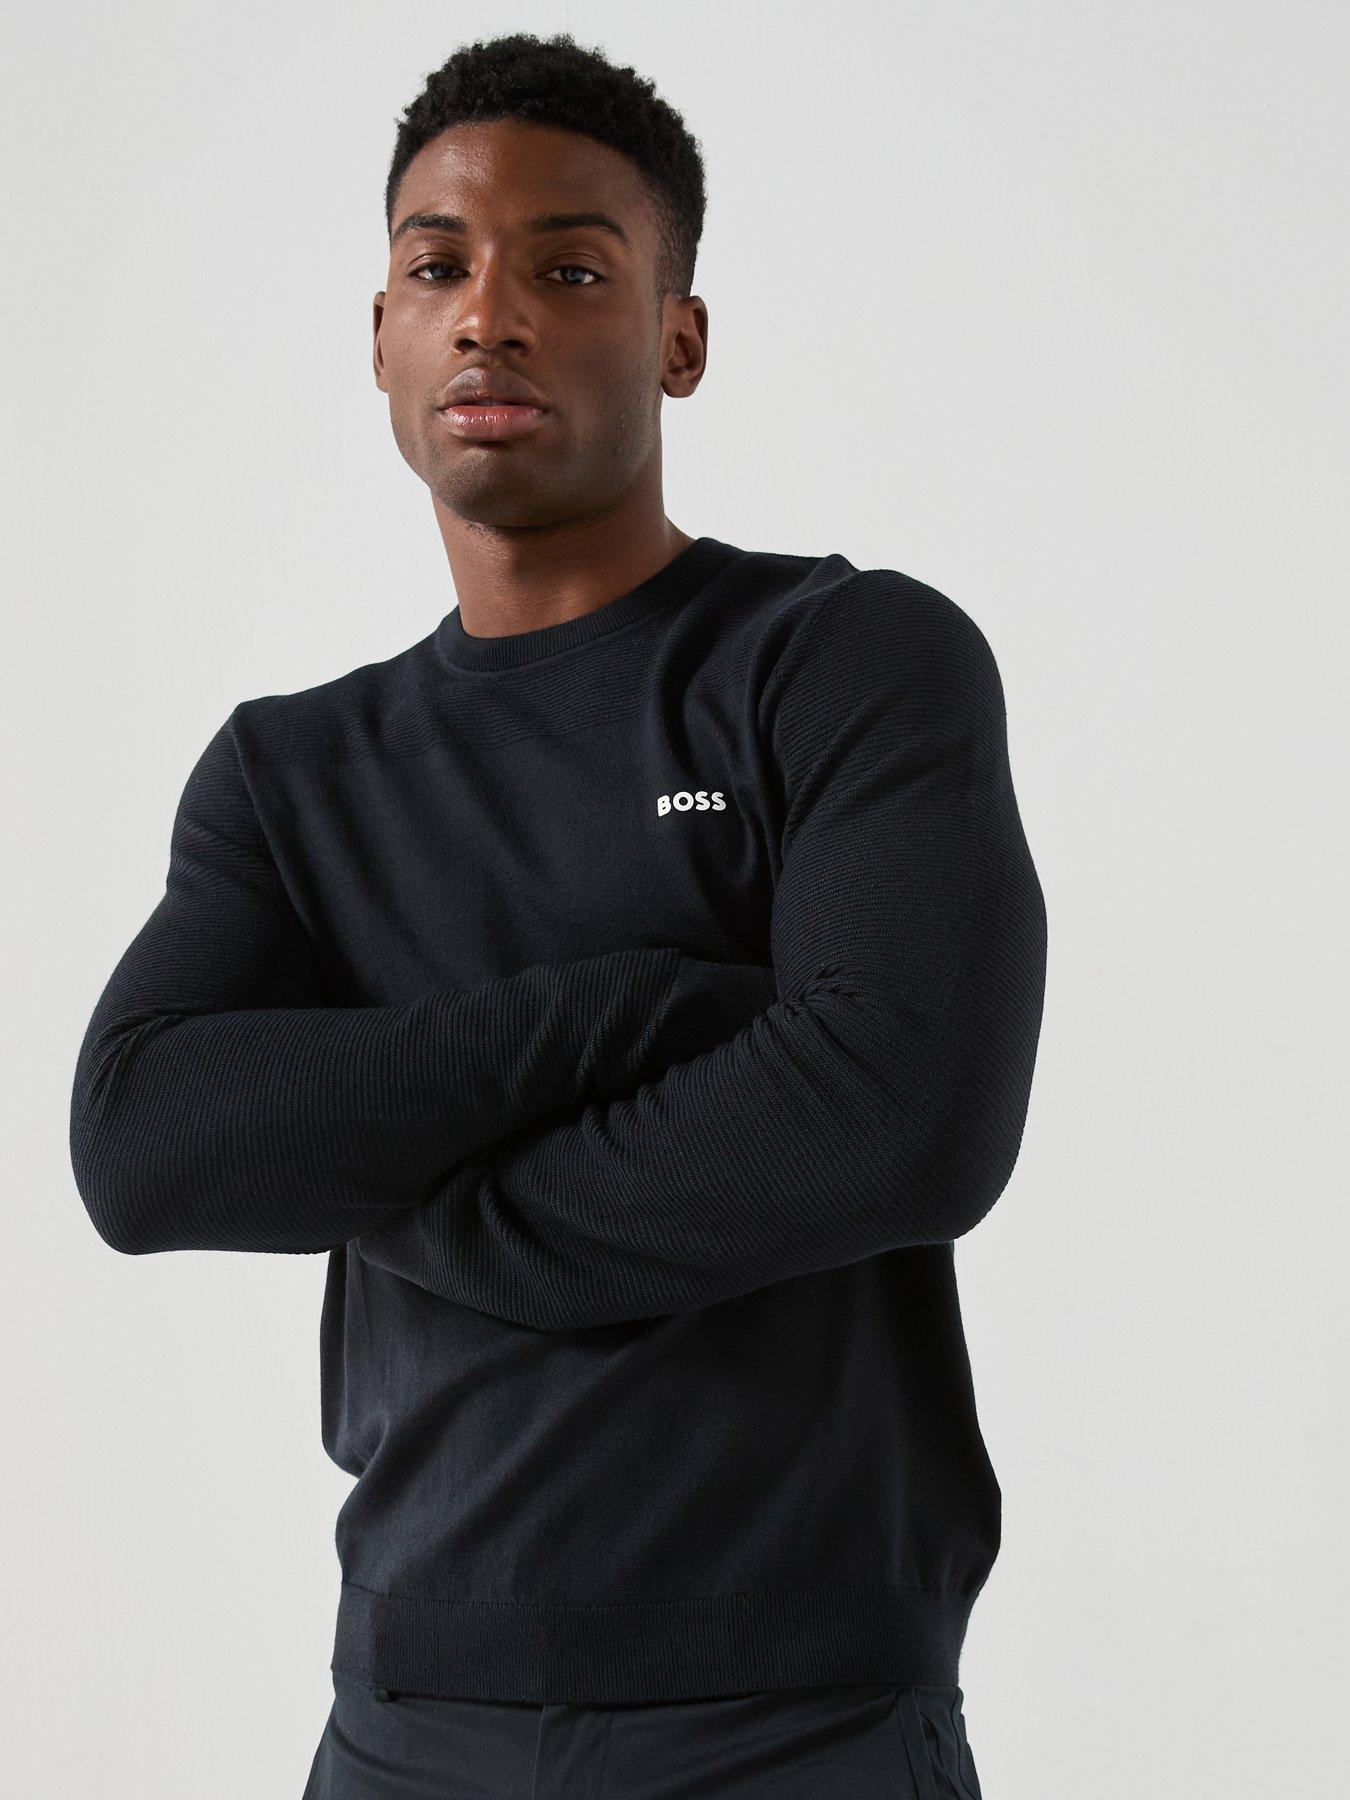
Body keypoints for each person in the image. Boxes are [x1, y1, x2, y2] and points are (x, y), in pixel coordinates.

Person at [69, 29, 1045, 1799]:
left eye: (571, 269)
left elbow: (902, 1118)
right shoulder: (292, 772)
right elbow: (146, 1151)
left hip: (799, 1721)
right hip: (405, 1719)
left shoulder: (840, 660)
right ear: (379, 335)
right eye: (437, 267)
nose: (490, 315)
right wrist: (652, 1008)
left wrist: (406, 1191)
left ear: (679, 337)